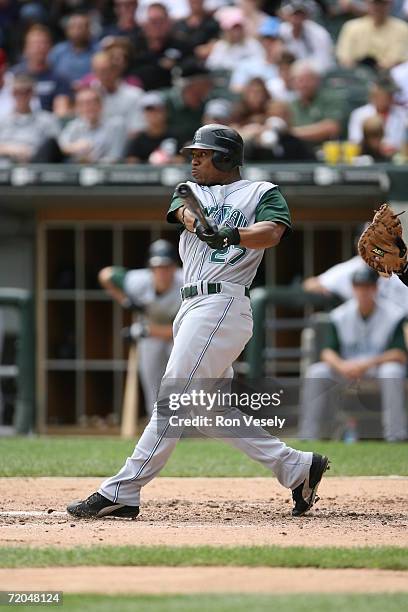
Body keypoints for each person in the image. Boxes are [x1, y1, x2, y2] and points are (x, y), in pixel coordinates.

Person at [67, 123, 330, 520]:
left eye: (202, 154)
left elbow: (272, 232)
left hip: (222, 302)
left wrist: (233, 235)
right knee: (209, 411)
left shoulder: (262, 192)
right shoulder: (192, 191)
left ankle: (122, 490)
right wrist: (204, 226)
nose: (194, 160)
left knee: (173, 398)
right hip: (191, 306)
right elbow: (183, 213)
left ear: (225, 157)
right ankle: (296, 467)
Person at [299, 267, 407, 442]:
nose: (363, 291)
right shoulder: (340, 315)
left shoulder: (393, 313)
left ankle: (395, 436)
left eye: (367, 287)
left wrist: (366, 364)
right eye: (358, 287)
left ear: (375, 288)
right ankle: (308, 435)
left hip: (376, 370)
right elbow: (327, 352)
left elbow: (399, 354)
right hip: (347, 369)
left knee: (392, 371)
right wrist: (342, 365)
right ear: (353, 288)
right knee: (317, 372)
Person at [98, 240, 183, 416]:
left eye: (167, 266)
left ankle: (182, 423)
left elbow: (185, 329)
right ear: (151, 269)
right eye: (157, 267)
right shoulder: (139, 281)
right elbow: (105, 275)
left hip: (180, 334)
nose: (162, 272)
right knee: (152, 381)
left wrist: (144, 331)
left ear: (175, 267)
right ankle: (156, 423)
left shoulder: (186, 281)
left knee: (180, 377)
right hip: (151, 333)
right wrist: (126, 300)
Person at [46, 87, 127, 163]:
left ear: (101, 105)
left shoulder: (116, 124)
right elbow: (61, 145)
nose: (87, 107)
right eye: (81, 104)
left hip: (108, 172)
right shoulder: (75, 125)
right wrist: (74, 147)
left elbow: (115, 158)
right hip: (79, 170)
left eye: (91, 103)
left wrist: (92, 161)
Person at [11, 25, 71, 117]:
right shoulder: (14, 75)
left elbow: (61, 112)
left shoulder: (59, 78)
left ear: (50, 48)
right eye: (35, 44)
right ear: (25, 49)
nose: (40, 47)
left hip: (47, 125)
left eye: (44, 43)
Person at [0, 74, 60, 163]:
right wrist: (12, 150)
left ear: (33, 93)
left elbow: (57, 147)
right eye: (16, 92)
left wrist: (32, 152)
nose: (21, 96)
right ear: (12, 93)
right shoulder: (2, 120)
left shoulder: (46, 119)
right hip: (4, 169)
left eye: (26, 91)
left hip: (36, 168)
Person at [289, 59, 348, 146]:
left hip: (325, 152)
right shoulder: (291, 105)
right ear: (293, 83)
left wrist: (292, 133)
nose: (304, 84)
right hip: (299, 152)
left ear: (318, 80)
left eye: (308, 80)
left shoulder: (331, 98)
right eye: (300, 80)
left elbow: (332, 128)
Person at [336, 0, 408, 70]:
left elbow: (397, 61)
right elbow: (344, 59)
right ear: (367, 4)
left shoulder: (402, 28)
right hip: (357, 75)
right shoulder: (351, 26)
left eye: (383, 4)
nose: (378, 7)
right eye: (375, 3)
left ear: (390, 4)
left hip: (389, 77)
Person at [348, 73, 407, 154]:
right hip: (367, 158)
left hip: (396, 159)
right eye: (387, 94)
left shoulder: (402, 113)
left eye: (392, 94)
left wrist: (394, 148)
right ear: (375, 94)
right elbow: (355, 141)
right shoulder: (360, 114)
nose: (391, 97)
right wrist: (377, 146)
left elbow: (403, 141)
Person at [90, 51, 145, 135]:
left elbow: (137, 129)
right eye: (97, 71)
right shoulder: (89, 94)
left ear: (116, 70)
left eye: (105, 70)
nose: (102, 75)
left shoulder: (135, 95)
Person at [124, 90, 182, 163]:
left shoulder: (176, 136)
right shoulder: (139, 139)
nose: (154, 114)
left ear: (165, 112)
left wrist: (167, 160)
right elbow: (131, 162)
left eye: (158, 110)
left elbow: (182, 159)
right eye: (149, 111)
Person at [229, 16, 283, 93]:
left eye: (274, 40)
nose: (269, 43)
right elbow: (236, 88)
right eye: (266, 39)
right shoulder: (247, 63)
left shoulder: (289, 67)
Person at [279, 0, 335, 74]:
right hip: (292, 74)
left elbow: (324, 63)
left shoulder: (319, 34)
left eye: (300, 14)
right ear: (286, 16)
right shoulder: (282, 30)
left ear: (306, 16)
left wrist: (300, 71)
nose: (296, 18)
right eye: (294, 14)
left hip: (315, 74)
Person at [206, 7, 265, 72]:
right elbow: (211, 65)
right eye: (233, 28)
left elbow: (261, 63)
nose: (237, 32)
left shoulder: (253, 44)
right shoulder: (220, 46)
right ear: (226, 30)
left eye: (239, 28)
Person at [49, 13, 97, 85]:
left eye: (80, 27)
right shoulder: (58, 50)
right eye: (72, 27)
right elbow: (49, 73)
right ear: (67, 30)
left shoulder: (97, 51)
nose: (76, 31)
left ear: (88, 30)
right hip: (62, 91)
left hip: (90, 91)